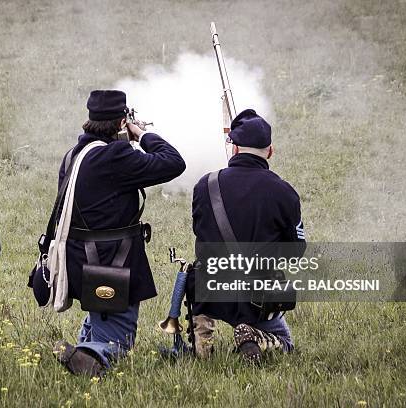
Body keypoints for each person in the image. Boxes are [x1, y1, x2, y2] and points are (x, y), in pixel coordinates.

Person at [52, 90, 185, 376]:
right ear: (122, 122)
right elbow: (174, 162)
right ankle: (92, 354)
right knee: (120, 343)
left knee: (104, 318)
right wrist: (142, 135)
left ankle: (83, 348)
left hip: (80, 260)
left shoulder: (74, 154)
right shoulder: (115, 155)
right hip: (109, 261)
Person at [190, 109, 305, 362]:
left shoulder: (204, 185)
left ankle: (202, 340)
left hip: (210, 290)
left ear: (235, 150)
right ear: (270, 151)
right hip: (258, 296)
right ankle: (254, 336)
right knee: (285, 344)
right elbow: (296, 252)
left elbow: (200, 235)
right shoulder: (285, 193)